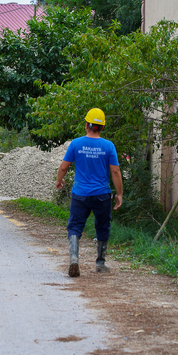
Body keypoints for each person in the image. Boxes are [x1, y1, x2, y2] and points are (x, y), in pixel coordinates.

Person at [55, 108, 123, 277]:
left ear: (86, 125)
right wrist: (119, 194)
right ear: (102, 128)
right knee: (102, 226)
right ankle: (100, 263)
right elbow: (115, 172)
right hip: (102, 195)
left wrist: (59, 180)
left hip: (80, 194)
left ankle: (73, 259)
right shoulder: (108, 146)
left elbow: (64, 166)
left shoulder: (76, 144)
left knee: (75, 226)